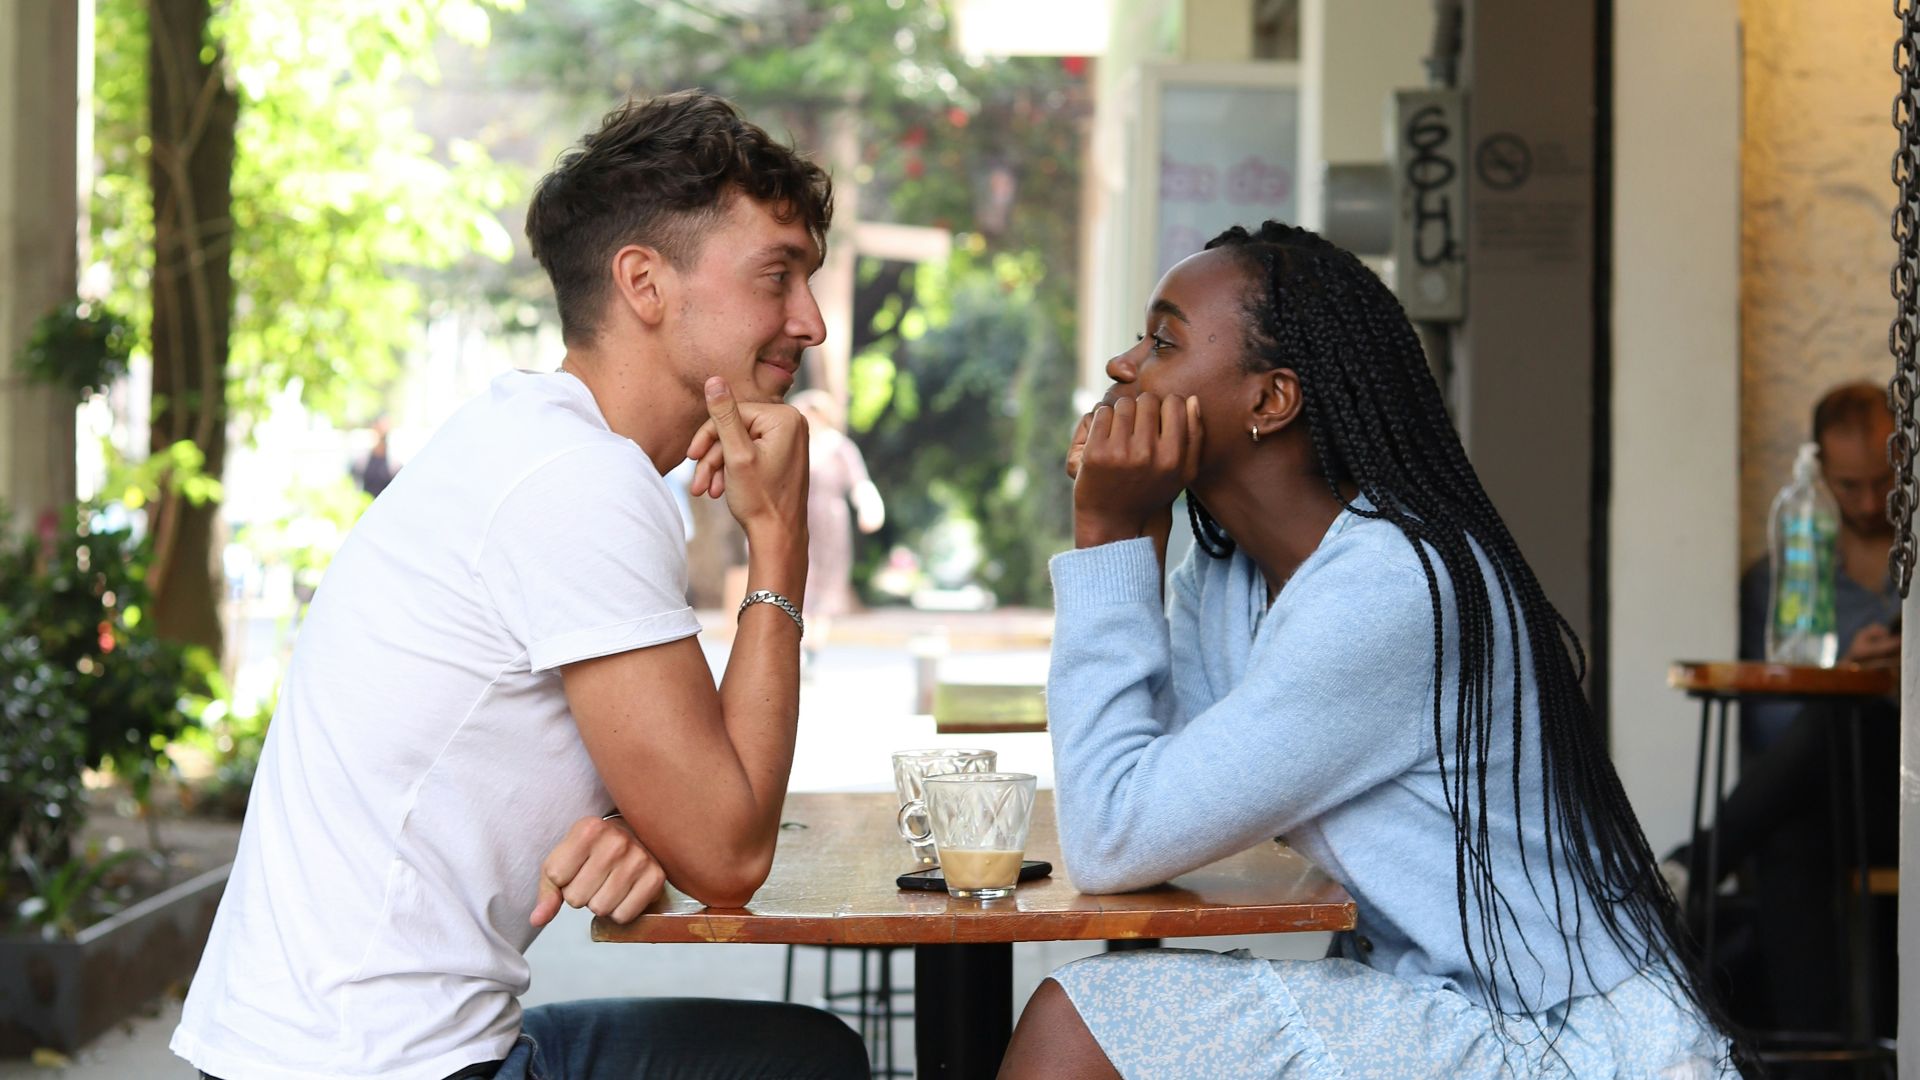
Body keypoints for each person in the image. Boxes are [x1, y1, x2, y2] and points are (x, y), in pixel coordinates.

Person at [170, 91, 868, 1080]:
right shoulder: (578, 483)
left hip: (303, 1051)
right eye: (777, 275)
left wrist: (640, 824)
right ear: (645, 284)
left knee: (792, 1054)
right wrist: (780, 543)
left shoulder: (533, 441)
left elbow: (686, 801)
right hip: (371, 1067)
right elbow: (730, 852)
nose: (810, 322)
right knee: (798, 1068)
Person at [1000, 221, 1738, 1078]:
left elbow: (1112, 836)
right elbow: (1152, 802)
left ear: (1272, 401)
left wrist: (1107, 535)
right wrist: (1138, 540)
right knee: (1104, 1013)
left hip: (1560, 1035)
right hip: (1430, 995)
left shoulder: (1391, 588)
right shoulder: (1227, 576)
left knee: (1079, 1021)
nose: (1124, 366)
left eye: (1161, 340)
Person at [1736, 381, 1901, 751]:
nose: (1870, 504)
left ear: (1904, 458)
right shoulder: (1777, 582)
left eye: (1883, 481)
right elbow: (1766, 728)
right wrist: (1845, 684)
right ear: (1820, 469)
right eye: (1849, 486)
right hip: (1822, 783)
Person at [789, 389, 884, 668]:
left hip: (831, 523)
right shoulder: (793, 444)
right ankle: (798, 643)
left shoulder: (841, 447)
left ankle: (813, 647)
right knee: (799, 580)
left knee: (827, 585)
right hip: (797, 520)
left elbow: (860, 483)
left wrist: (870, 507)